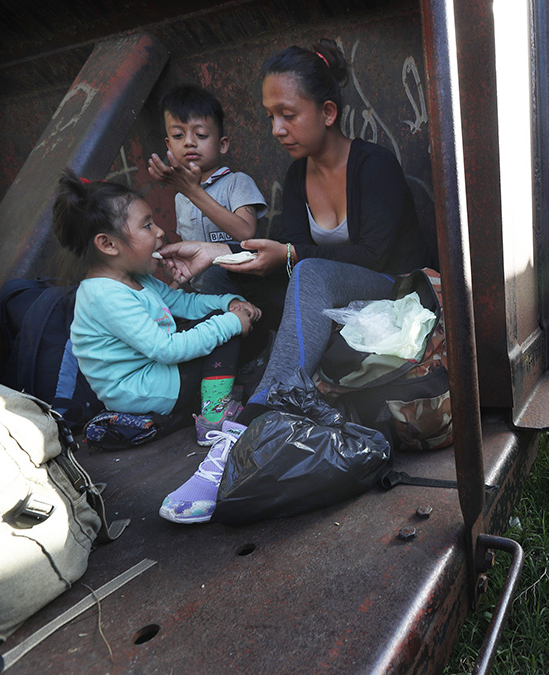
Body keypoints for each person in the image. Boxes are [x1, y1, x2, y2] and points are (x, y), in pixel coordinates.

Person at [157, 38, 432, 524]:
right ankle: (218, 403)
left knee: (307, 269)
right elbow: (284, 252)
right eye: (269, 117)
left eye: (287, 114)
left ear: (327, 111)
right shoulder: (296, 172)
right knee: (225, 273)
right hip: (324, 288)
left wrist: (288, 257)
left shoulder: (374, 165)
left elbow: (371, 255)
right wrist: (213, 252)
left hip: (390, 287)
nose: (276, 129)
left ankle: (250, 427)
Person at [51, 170, 261, 452]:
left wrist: (228, 304)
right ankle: (214, 418)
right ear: (108, 244)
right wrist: (231, 322)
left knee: (221, 323)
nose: (160, 231)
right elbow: (166, 350)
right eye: (147, 226)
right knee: (225, 331)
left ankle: (211, 395)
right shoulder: (103, 295)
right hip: (144, 391)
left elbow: (184, 304)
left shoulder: (134, 277)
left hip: (157, 377)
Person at [147, 85, 267, 295]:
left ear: (222, 144)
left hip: (241, 288)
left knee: (215, 275)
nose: (189, 142)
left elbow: (245, 233)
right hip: (202, 295)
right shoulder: (180, 198)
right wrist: (170, 293)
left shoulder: (236, 183)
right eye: (178, 135)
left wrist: (195, 192)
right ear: (168, 144)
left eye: (201, 135)